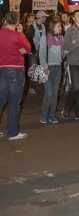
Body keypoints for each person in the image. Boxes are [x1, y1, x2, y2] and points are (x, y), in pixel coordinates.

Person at [0, 12, 31, 140]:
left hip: (2, 69)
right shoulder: (18, 35)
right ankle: (12, 132)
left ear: (5, 21)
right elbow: (28, 48)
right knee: (14, 103)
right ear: (17, 22)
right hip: (16, 70)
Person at [39, 17, 64, 124]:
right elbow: (41, 54)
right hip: (48, 68)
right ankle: (45, 113)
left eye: (60, 26)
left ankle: (52, 114)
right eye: (58, 26)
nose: (60, 28)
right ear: (53, 27)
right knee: (48, 93)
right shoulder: (45, 38)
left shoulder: (61, 38)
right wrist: (45, 67)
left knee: (54, 93)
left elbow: (63, 54)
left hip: (58, 68)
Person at [26, 10, 47, 94]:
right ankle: (31, 86)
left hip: (41, 50)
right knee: (33, 67)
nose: (45, 18)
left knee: (42, 66)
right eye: (44, 17)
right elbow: (30, 39)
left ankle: (42, 84)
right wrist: (33, 50)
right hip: (34, 50)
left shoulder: (43, 26)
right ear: (40, 17)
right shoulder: (32, 26)